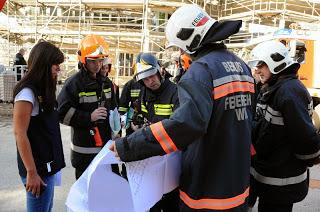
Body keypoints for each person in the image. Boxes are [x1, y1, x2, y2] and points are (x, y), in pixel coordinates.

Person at [110, 4, 253, 211]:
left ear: (190, 39)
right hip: (238, 186)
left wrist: (129, 146)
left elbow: (185, 125)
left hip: (207, 192)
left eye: (180, 46)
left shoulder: (200, 71)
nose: (181, 52)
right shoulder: (242, 66)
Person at [247, 40, 320, 212]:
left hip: (281, 181)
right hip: (269, 175)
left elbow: (304, 137)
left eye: (261, 65)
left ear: (275, 63)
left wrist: (312, 156)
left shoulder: (289, 92)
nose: (257, 70)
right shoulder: (273, 87)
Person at [13, 41, 66, 212]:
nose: (58, 69)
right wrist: (31, 172)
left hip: (47, 167)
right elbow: (19, 133)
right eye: (55, 64)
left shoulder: (44, 90)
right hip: (38, 171)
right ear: (43, 64)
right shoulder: (27, 93)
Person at [57, 34, 119, 179]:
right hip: (84, 152)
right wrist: (89, 117)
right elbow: (61, 113)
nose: (97, 65)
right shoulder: (74, 83)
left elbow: (114, 109)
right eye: (93, 61)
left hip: (107, 149)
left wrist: (117, 130)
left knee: (108, 191)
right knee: (86, 197)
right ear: (83, 61)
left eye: (100, 60)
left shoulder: (107, 83)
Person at [132, 52, 180, 211]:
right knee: (152, 203)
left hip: (171, 156)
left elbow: (180, 126)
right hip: (152, 157)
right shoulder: (144, 93)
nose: (150, 81)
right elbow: (143, 116)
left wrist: (153, 127)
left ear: (160, 71)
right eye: (145, 79)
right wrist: (138, 124)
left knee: (170, 203)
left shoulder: (175, 92)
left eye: (152, 76)